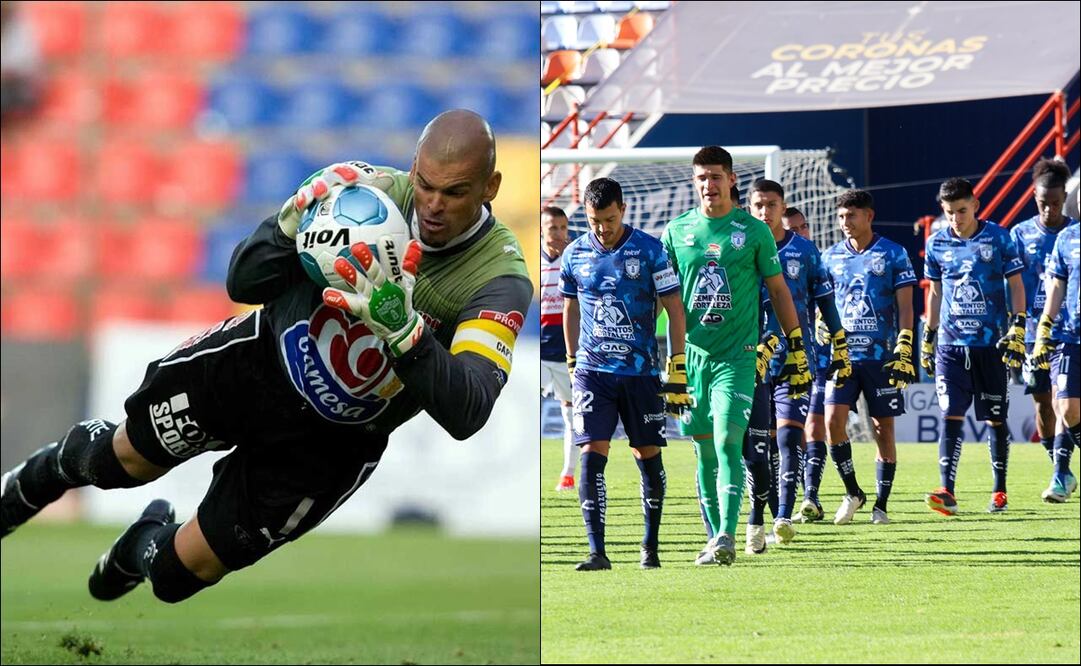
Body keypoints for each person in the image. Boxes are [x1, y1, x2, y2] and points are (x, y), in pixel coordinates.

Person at [0, 110, 533, 604]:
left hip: (330, 445)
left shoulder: (498, 279)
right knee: (120, 462)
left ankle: (142, 544)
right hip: (252, 364)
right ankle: (21, 493)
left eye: (456, 193)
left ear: (490, 188)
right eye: (425, 185)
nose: (434, 205)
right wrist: (282, 229)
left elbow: (469, 410)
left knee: (176, 578)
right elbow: (244, 279)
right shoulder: (363, 195)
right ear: (413, 168)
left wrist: (404, 330)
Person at [661, 146, 810, 566]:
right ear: (695, 183)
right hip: (692, 360)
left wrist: (796, 344)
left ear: (731, 180)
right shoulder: (676, 232)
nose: (709, 185)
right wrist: (659, 353)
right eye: (701, 178)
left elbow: (779, 291)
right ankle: (713, 536)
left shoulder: (753, 231)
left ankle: (727, 535)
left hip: (739, 359)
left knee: (729, 443)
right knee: (704, 449)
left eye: (715, 177)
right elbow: (664, 299)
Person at [561, 178, 687, 571]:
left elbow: (675, 306)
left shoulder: (651, 251)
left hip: (641, 373)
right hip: (592, 372)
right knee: (591, 454)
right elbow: (571, 307)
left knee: (646, 454)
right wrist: (570, 357)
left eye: (610, 219)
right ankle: (597, 551)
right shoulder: (575, 253)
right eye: (595, 220)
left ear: (624, 209)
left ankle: (650, 547)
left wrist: (677, 363)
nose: (603, 227)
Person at [745, 180, 850, 552]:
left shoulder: (804, 251)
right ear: (749, 206)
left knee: (790, 435)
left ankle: (783, 517)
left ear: (783, 206)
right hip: (749, 359)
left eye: (771, 204)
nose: (765, 212)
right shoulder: (740, 247)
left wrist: (839, 340)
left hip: (796, 357)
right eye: (758, 205)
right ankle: (762, 513)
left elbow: (825, 300)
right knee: (760, 445)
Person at [923, 177, 1026, 515]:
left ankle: (999, 491)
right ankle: (946, 490)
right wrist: (928, 335)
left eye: (962, 210)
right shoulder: (937, 243)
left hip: (991, 344)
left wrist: (1019, 325)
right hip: (951, 345)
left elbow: (1015, 283)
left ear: (976, 205)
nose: (957, 218)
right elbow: (935, 292)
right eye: (950, 212)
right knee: (950, 412)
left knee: (995, 419)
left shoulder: (999, 237)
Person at [820, 190, 917, 525]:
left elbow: (906, 305)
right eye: (841, 217)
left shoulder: (893, 253)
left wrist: (905, 344)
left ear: (869, 216)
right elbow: (823, 303)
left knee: (883, 429)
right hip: (842, 357)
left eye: (852, 216)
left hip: (881, 357)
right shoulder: (830, 257)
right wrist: (822, 327)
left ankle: (881, 506)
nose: (845, 223)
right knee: (832, 423)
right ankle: (853, 492)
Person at [1009, 159, 1078, 472]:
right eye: (1042, 204)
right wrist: (1013, 327)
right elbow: (1011, 284)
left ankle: (1060, 471)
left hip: (1069, 331)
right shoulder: (1020, 235)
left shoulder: (1074, 235)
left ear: (1064, 198)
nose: (1049, 210)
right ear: (1034, 200)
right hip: (1034, 332)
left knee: (1063, 399)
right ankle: (1057, 464)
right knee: (1042, 402)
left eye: (1054, 203)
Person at [1032, 221, 1079, 501]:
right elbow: (1057, 286)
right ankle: (1061, 475)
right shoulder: (1068, 238)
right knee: (1065, 407)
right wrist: (1044, 327)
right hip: (1070, 336)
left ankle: (1062, 474)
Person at [540, 206, 577, 492]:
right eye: (553, 228)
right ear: (542, 229)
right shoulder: (532, 262)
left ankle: (568, 474)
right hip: (537, 354)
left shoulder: (573, 261)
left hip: (564, 354)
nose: (560, 233)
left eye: (563, 228)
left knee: (571, 414)